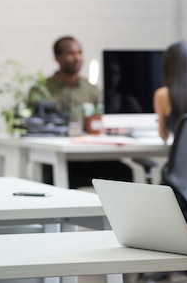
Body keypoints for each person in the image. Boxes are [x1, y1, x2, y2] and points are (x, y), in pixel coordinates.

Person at [31, 36, 133, 188]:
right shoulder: (41, 89)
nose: (77, 58)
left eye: (79, 53)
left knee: (123, 172)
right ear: (57, 57)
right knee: (54, 176)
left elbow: (101, 121)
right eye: (70, 53)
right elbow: (34, 124)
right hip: (57, 154)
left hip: (88, 155)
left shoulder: (92, 90)